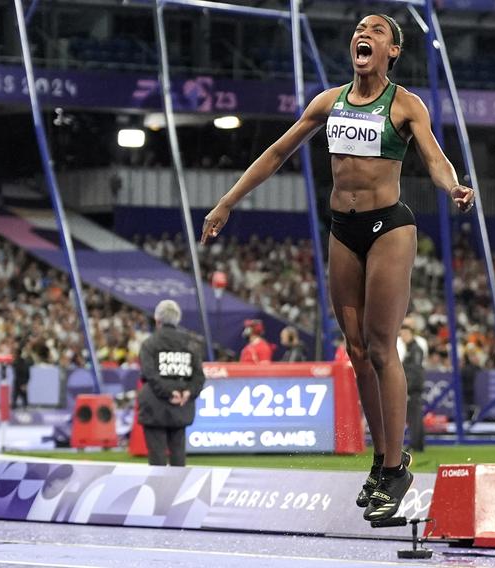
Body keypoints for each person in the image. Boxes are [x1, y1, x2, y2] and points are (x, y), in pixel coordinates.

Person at [200, 13, 474, 522]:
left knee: (379, 344)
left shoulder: (406, 105)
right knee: (355, 351)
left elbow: (435, 158)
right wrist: (227, 201)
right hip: (341, 230)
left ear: (393, 51)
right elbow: (278, 151)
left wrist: (452, 186)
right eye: (359, 30)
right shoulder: (329, 102)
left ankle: (396, 467)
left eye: (376, 32)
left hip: (389, 226)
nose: (362, 35)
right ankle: (379, 461)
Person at [138, 300, 206, 467]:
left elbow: (150, 374)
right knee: (178, 454)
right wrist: (187, 392)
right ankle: (179, 491)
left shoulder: (150, 343)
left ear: (157, 319)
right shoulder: (191, 344)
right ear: (178, 319)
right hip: (181, 406)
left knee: (157, 457)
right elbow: (199, 376)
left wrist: (169, 392)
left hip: (155, 404)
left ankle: (157, 491)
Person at [399, 324, 426, 453]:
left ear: (410, 334)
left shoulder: (415, 349)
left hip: (413, 388)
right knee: (414, 417)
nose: (402, 337)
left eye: (403, 334)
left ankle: (416, 444)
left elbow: (415, 371)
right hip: (413, 387)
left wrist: (408, 388)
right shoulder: (411, 349)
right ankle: (417, 444)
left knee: (414, 417)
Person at [11, 340, 32, 410]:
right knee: (14, 400)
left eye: (14, 353)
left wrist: (25, 383)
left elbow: (27, 374)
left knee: (24, 400)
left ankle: (26, 413)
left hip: (21, 383)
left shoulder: (23, 363)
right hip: (17, 383)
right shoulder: (15, 362)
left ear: (17, 354)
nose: (13, 355)